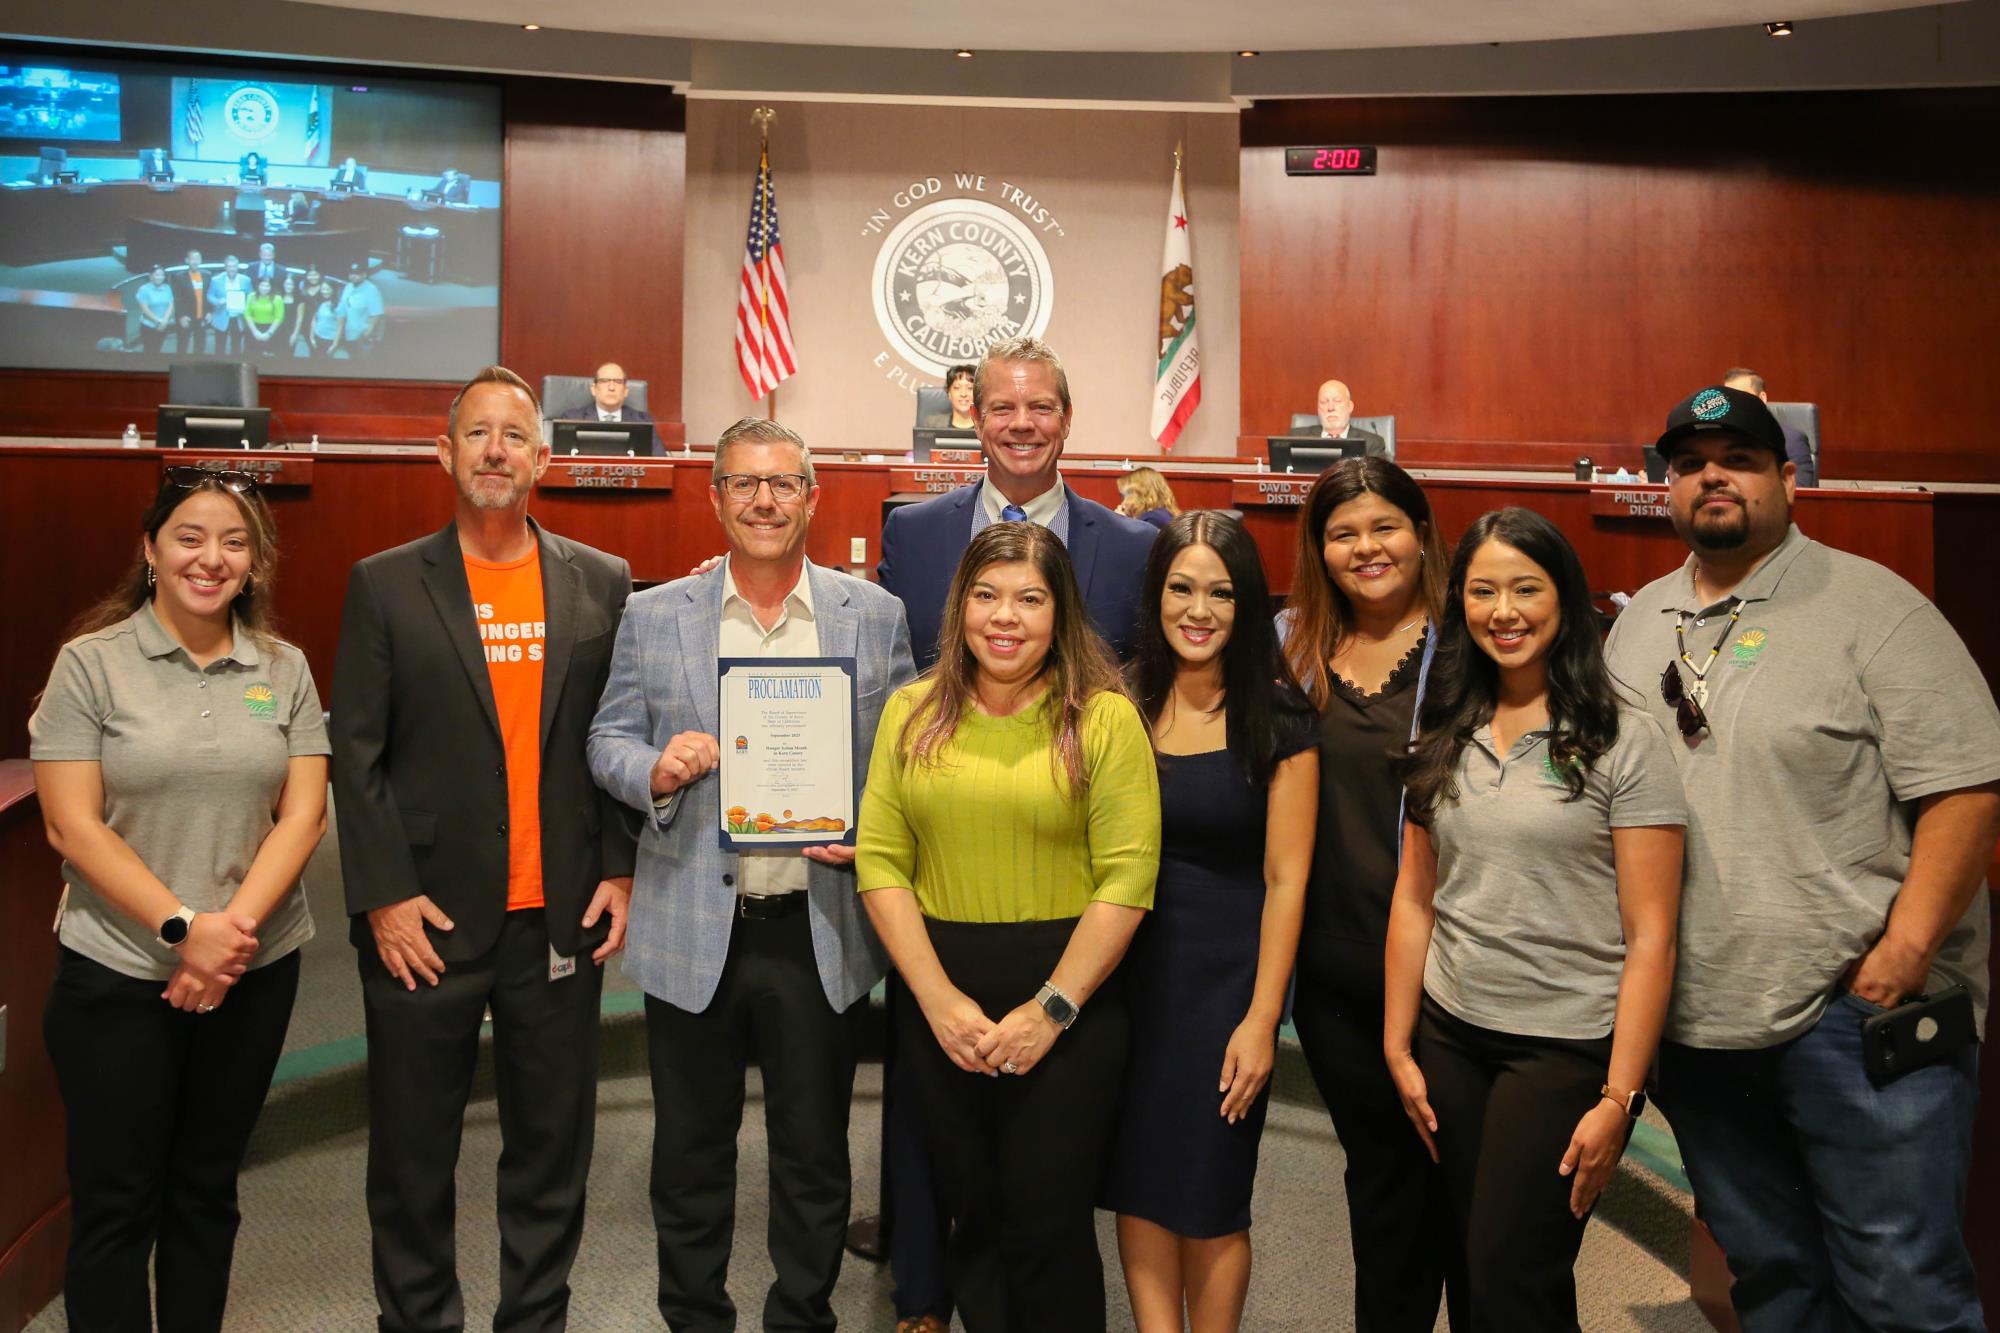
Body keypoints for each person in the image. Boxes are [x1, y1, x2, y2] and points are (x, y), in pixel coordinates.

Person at [1602, 385, 2000, 1333]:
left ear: (1788, 479)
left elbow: (1967, 787)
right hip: (1701, 1026)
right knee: (1774, 1283)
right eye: (1691, 462)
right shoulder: (1635, 626)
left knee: (1903, 1290)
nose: (1712, 477)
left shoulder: (1874, 607)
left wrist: (1903, 953)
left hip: (1858, 1022)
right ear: (1668, 487)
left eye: (1737, 459)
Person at [587, 417, 916, 1331]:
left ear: (812, 497)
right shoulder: (655, 615)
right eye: (744, 483)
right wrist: (651, 768)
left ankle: (800, 1316)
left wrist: (875, 831)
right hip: (694, 926)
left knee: (813, 1154)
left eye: (782, 484)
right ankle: (694, 1317)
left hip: (819, 928)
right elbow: (605, 735)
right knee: (691, 1154)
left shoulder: (872, 615)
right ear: (716, 497)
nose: (764, 500)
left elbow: (904, 758)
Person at [331, 365, 638, 1333]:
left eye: (514, 435)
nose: (496, 450)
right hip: (424, 917)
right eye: (478, 434)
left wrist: (621, 865)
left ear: (543, 456)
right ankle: (418, 1320)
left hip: (557, 915)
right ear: (445, 452)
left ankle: (533, 1319)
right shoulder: (383, 584)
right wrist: (383, 896)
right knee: (413, 1154)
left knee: (550, 1149)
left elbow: (615, 730)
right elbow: (359, 751)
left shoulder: (602, 579)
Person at [870, 335, 1158, 1330]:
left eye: (1030, 597)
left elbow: (1126, 868)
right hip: (940, 975)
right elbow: (881, 850)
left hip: (1065, 970)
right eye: (987, 595)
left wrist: (1054, 1006)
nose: (1006, 615)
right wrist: (936, 996)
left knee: (1047, 1223)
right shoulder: (912, 552)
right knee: (973, 1217)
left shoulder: (1124, 577)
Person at [30, 466, 328, 1330]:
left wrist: (226, 938)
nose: (212, 558)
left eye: (234, 542)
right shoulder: (90, 665)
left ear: (255, 564)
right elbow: (71, 827)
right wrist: (179, 927)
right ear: (151, 551)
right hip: (116, 973)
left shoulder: (285, 667)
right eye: (190, 537)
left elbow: (303, 814)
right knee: (117, 1203)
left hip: (253, 968)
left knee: (207, 1192)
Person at [1384, 506, 1685, 1331]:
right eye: (1483, 591)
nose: (1503, 611)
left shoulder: (1623, 736)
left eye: (1526, 587)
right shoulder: (1447, 723)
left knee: (1511, 1273)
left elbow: (1652, 935)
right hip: (1451, 1032)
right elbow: (1416, 895)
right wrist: (1396, 1040)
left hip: (1561, 1048)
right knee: (1482, 1278)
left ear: (1567, 598)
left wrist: (1620, 1098)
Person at [1101, 512, 1318, 1332]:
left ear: (1248, 602)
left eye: (1221, 591)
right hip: (1128, 982)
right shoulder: (1119, 702)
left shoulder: (1280, 715)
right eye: (1181, 587)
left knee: (1212, 1193)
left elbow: (1287, 876)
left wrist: (1264, 1017)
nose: (1199, 609)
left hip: (1228, 987)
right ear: (1155, 595)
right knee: (1140, 1181)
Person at [1277, 457, 1466, 1332]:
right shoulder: (1293, 650)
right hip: (1337, 974)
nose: (1366, 548)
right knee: (1384, 1186)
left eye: (1384, 526)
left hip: (1460, 973)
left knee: (1475, 1201)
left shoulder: (1475, 642)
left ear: (1422, 535)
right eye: (1343, 532)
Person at [879, 335, 1159, 670]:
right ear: (978, 421)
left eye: (1041, 408)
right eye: (1002, 408)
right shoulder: (912, 535)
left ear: (1067, 418)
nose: (1022, 424)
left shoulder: (1133, 548)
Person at [1720, 367, 1818, 487]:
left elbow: (1799, 491)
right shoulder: (1720, 440)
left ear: (1762, 398)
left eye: (1741, 398)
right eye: (1728, 400)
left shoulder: (1791, 440)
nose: (1733, 406)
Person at [559, 362, 654, 424]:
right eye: (604, 381)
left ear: (625, 390)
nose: (611, 388)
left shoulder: (643, 421)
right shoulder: (572, 419)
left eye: (617, 382)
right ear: (594, 389)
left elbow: (658, 455)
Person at [1311, 379, 1387, 456]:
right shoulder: (1299, 436)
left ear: (1350, 406)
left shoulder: (1372, 444)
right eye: (1323, 402)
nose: (1330, 408)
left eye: (1337, 401)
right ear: (1317, 408)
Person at [335, 262, 384, 357]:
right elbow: (343, 308)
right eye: (351, 273)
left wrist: (367, 334)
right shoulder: (348, 287)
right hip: (348, 335)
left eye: (357, 274)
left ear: (364, 275)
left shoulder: (371, 290)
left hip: (362, 337)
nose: (353, 276)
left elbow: (376, 313)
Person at [207, 255, 251, 357]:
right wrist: (218, 301)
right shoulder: (216, 280)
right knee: (219, 347)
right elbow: (209, 295)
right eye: (230, 266)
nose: (232, 269)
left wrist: (246, 304)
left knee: (236, 347)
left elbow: (250, 296)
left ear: (237, 267)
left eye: (234, 266)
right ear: (225, 267)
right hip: (221, 317)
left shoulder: (246, 280)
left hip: (238, 318)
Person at [1113, 465, 1179, 529]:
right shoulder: (1162, 514)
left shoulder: (1152, 520)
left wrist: (1122, 522)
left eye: (1125, 495)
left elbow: (1136, 539)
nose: (1123, 502)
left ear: (1139, 495)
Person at [921, 362, 979, 429]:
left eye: (970, 388)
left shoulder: (986, 427)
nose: (963, 394)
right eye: (957, 387)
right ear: (949, 393)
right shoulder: (932, 424)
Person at [133, 263, 175, 355]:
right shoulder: (144, 289)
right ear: (150, 276)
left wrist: (164, 321)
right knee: (149, 351)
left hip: (164, 325)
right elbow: (145, 309)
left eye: (162, 275)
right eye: (157, 275)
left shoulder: (167, 287)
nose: (160, 277)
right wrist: (158, 322)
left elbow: (171, 305)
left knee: (157, 349)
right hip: (149, 326)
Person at [172, 249, 208, 355]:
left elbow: (208, 296)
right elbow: (177, 298)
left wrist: (209, 312)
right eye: (192, 259)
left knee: (200, 346)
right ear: (187, 260)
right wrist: (181, 316)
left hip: (202, 318)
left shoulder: (207, 275)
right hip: (186, 318)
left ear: (201, 260)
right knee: (182, 347)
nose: (195, 262)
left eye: (197, 259)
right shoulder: (179, 277)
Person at [243, 276, 286, 356]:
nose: (264, 288)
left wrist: (269, 333)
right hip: (253, 329)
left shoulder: (277, 298)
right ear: (258, 286)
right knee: (251, 356)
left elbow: (279, 317)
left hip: (270, 329)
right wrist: (255, 331)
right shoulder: (251, 296)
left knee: (267, 357)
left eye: (267, 286)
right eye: (262, 285)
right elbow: (247, 314)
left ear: (271, 287)